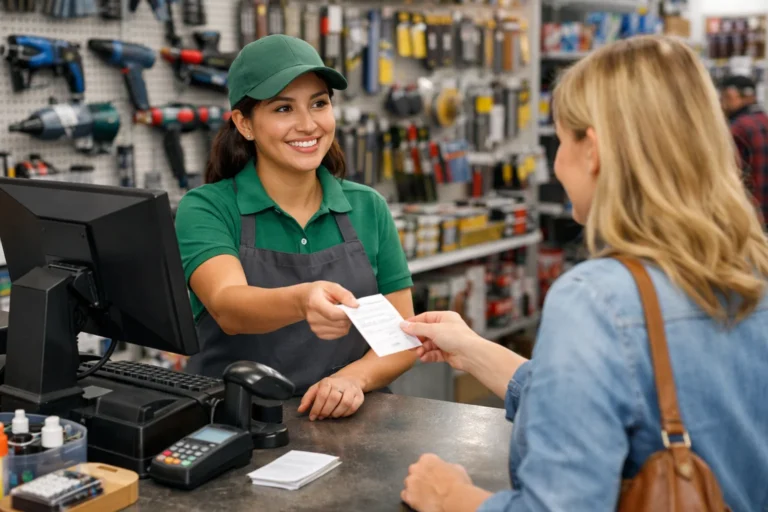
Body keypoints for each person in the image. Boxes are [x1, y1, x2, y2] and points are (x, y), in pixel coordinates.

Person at [399, 35, 768, 512]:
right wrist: (472, 350)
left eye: (559, 141)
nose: (556, 163)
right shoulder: (752, 268)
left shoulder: (596, 299)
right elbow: (626, 397)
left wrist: (453, 497)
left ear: (591, 149)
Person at [175, 35, 416, 421]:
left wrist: (353, 379)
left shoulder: (368, 207)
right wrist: (303, 300)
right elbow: (228, 306)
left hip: (347, 422)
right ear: (244, 124)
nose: (308, 125)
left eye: (319, 104)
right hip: (233, 422)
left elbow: (403, 336)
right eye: (283, 108)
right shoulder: (207, 208)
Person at [720, 75, 768, 225]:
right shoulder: (764, 120)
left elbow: (728, 175)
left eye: (725, 97)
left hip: (749, 214)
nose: (722, 103)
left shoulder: (737, 127)